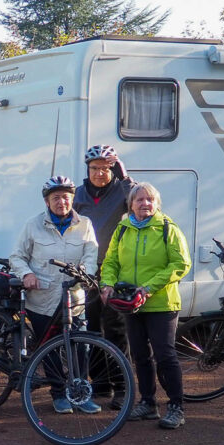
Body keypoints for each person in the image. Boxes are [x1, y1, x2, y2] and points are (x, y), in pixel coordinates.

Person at [100, 182, 191, 430]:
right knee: (140, 356)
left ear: (156, 204)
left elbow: (181, 264)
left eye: (150, 200)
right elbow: (111, 262)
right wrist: (107, 283)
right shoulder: (122, 229)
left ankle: (176, 406)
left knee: (165, 355)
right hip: (132, 304)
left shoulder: (167, 228)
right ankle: (148, 403)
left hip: (161, 303)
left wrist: (149, 287)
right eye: (139, 200)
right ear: (130, 204)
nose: (145, 204)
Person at [10, 176, 101, 414]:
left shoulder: (85, 224)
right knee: (48, 347)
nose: (62, 202)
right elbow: (17, 256)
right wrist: (26, 274)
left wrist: (86, 274)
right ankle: (59, 393)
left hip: (74, 298)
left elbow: (91, 254)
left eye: (66, 197)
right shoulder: (33, 225)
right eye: (56, 198)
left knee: (80, 347)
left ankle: (81, 394)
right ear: (47, 202)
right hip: (43, 298)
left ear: (73, 199)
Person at [73, 144, 136, 408]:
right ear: (87, 170)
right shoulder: (78, 194)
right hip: (88, 270)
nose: (100, 173)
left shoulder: (122, 189)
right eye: (95, 168)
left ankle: (123, 388)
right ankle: (100, 384)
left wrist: (123, 173)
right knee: (94, 328)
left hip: (115, 269)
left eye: (105, 168)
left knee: (116, 329)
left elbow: (141, 198)